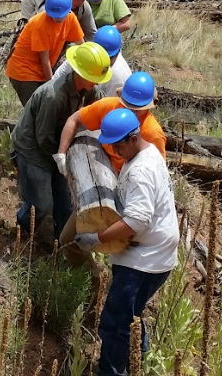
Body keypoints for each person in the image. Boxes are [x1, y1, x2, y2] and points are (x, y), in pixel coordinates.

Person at [75, 108, 179, 375]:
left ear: (134, 137)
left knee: (114, 322)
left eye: (118, 144)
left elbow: (135, 222)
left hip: (145, 259)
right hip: (153, 251)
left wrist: (96, 239)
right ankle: (138, 363)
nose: (115, 150)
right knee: (130, 315)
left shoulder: (141, 171)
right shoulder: (149, 153)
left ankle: (113, 371)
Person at [57, 71, 166, 283]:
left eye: (136, 109)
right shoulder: (110, 107)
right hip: (101, 185)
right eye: (127, 106)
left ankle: (113, 290)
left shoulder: (152, 135)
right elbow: (75, 119)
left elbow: (157, 181)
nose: (130, 112)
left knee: (124, 253)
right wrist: (61, 154)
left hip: (132, 196)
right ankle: (94, 281)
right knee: (68, 240)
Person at [11, 42, 112, 239]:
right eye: (93, 78)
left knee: (66, 205)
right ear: (79, 73)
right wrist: (62, 158)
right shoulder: (53, 96)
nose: (96, 83)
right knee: (41, 205)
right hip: (33, 149)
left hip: (58, 147)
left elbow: (101, 111)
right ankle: (21, 230)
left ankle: (62, 245)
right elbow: (43, 137)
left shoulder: (89, 90)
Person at [6, 0, 84, 106]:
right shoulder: (40, 24)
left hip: (41, 71)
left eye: (61, 15)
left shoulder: (71, 18)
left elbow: (81, 45)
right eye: (54, 15)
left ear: (68, 10)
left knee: (46, 108)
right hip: (23, 71)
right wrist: (52, 86)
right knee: (35, 110)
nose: (57, 18)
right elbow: (45, 60)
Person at [53, 25, 131, 96]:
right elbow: (56, 79)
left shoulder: (119, 77)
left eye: (108, 58)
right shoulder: (84, 55)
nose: (102, 60)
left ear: (118, 53)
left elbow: (109, 107)